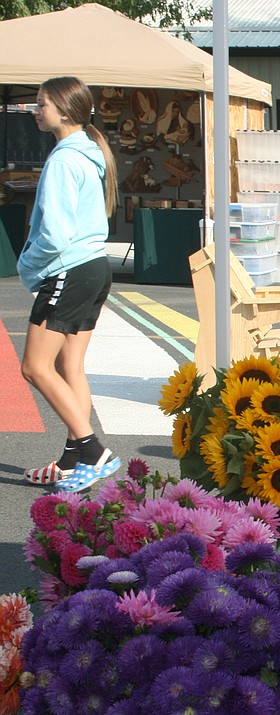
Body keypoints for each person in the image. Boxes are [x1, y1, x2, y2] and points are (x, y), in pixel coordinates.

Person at [17, 76, 121, 492]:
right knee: (68, 365)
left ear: (63, 110)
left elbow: (56, 235)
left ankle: (93, 450)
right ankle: (72, 459)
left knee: (34, 367)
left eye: (40, 104)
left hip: (69, 268)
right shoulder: (88, 153)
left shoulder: (63, 159)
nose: (35, 110)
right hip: (93, 267)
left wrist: (27, 262)